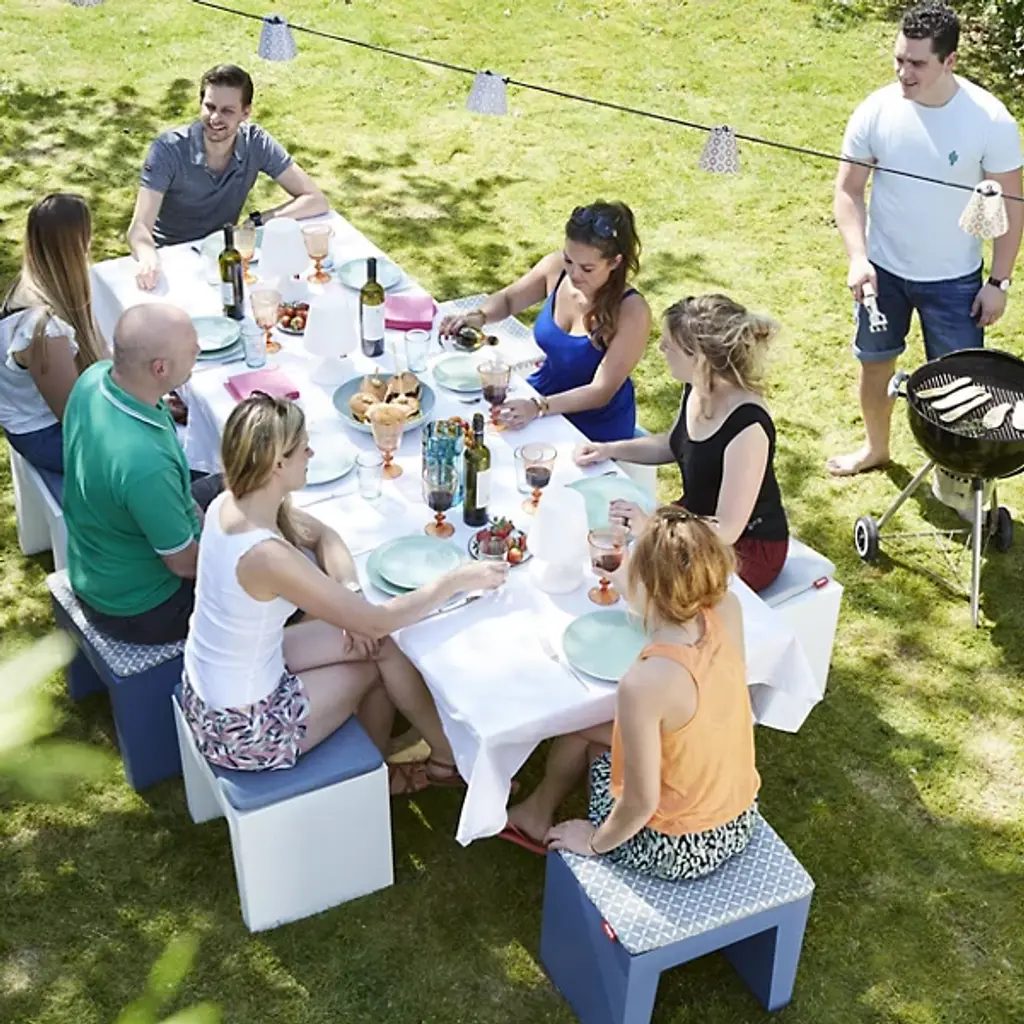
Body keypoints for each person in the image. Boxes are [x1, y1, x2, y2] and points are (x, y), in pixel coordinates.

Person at [181, 393, 508, 790]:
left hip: (216, 685)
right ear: (278, 463)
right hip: (243, 729)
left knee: (376, 644)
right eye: (304, 448)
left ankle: (441, 757)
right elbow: (379, 621)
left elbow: (324, 535)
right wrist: (457, 579)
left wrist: (351, 596)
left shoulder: (230, 503)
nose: (311, 453)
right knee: (376, 656)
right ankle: (394, 775)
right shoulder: (266, 555)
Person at [504, 508, 760, 879]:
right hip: (737, 817)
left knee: (589, 741)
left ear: (648, 585)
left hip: (678, 846)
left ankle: (536, 814)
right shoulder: (726, 609)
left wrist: (594, 841)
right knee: (586, 729)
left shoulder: (645, 683)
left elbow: (641, 802)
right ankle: (535, 812)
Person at [827, 1, 1023, 477]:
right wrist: (858, 258)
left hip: (955, 282)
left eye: (917, 63)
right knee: (875, 363)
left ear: (949, 60)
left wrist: (998, 283)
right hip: (883, 272)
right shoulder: (876, 111)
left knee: (962, 384)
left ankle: (954, 479)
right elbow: (848, 191)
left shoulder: (990, 121)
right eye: (899, 59)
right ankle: (876, 448)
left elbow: (1012, 207)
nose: (903, 72)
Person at [575, 294, 788, 593]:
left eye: (669, 346)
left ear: (699, 358)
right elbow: (673, 445)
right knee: (606, 545)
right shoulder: (697, 387)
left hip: (743, 548)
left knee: (646, 584)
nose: (660, 349)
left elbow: (727, 529)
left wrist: (653, 526)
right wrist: (608, 449)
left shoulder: (747, 425)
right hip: (692, 520)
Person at [62, 303, 222, 645]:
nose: (198, 350)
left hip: (100, 567)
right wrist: (248, 562)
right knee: (280, 596)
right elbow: (185, 564)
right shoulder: (145, 464)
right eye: (191, 349)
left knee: (244, 481)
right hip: (143, 607)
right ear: (160, 368)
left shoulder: (93, 379)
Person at [438, 201, 651, 443]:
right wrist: (478, 317)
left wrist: (539, 407)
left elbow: (600, 391)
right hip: (540, 395)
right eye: (569, 260)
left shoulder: (632, 311)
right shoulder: (556, 269)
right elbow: (509, 299)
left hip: (594, 425)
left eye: (587, 268)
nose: (574, 274)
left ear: (614, 262)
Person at [128, 63, 328, 290]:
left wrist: (258, 221)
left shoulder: (256, 143)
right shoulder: (168, 150)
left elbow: (315, 200)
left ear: (246, 113)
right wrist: (148, 258)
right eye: (210, 107)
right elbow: (139, 227)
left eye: (227, 111)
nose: (215, 118)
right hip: (171, 260)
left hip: (225, 257)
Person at [0, 194, 108, 480]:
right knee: (155, 452)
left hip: (58, 418)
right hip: (45, 433)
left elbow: (102, 355)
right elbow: (75, 417)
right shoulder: (43, 330)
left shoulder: (50, 287)